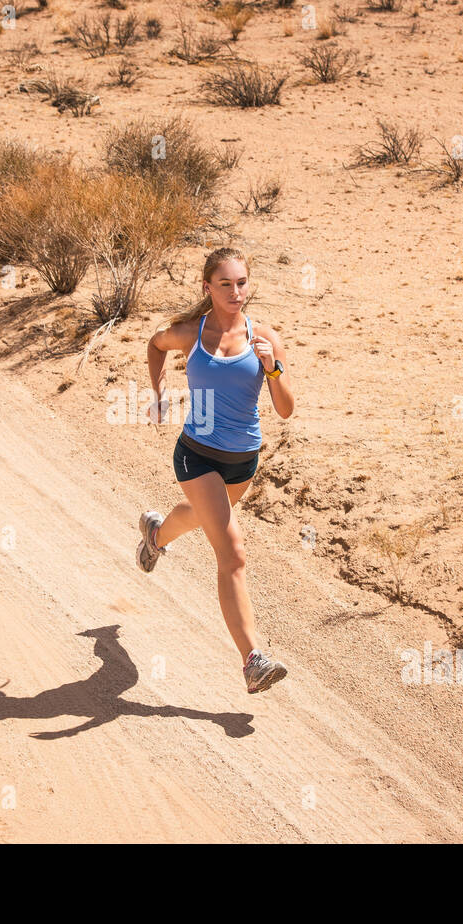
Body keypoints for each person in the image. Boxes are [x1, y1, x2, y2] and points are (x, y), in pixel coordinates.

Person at [136, 247, 295, 694]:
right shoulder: (192, 332)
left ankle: (155, 535)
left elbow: (285, 410)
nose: (235, 292)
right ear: (207, 287)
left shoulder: (264, 338)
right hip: (197, 453)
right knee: (232, 551)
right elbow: (154, 343)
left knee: (200, 517)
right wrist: (158, 391)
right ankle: (252, 660)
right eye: (224, 284)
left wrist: (273, 368)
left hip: (243, 459)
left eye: (241, 282)